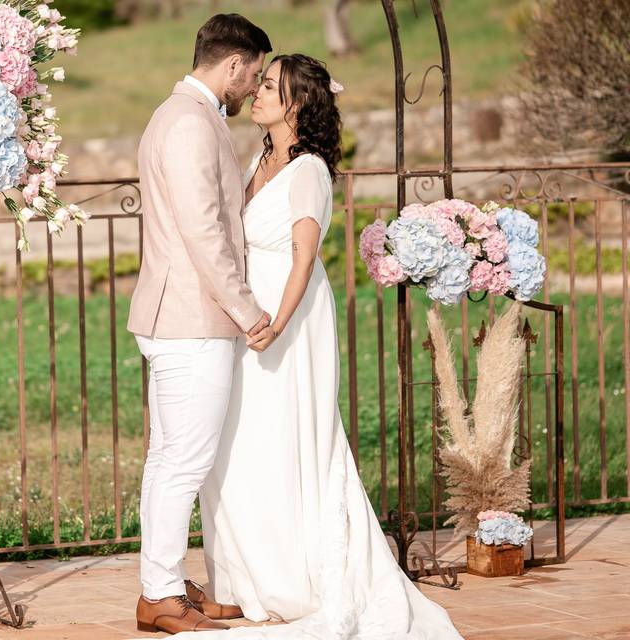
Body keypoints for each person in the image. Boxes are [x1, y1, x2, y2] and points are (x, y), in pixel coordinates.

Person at [191, 54, 465, 639]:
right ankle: (246, 580)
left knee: (288, 439)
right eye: (260, 83)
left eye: (269, 86)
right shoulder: (262, 157)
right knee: (240, 445)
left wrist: (277, 322)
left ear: (296, 104)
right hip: (249, 317)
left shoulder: (309, 169)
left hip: (288, 321)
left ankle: (298, 576)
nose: (257, 93)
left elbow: (303, 255)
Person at [126, 13, 274, 635]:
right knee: (183, 461)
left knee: (172, 458)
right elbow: (203, 231)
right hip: (189, 318)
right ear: (234, 63)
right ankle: (158, 594)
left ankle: (165, 583)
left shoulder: (185, 114)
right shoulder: (188, 121)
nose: (254, 87)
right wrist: (248, 311)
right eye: (256, 75)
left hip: (181, 315)